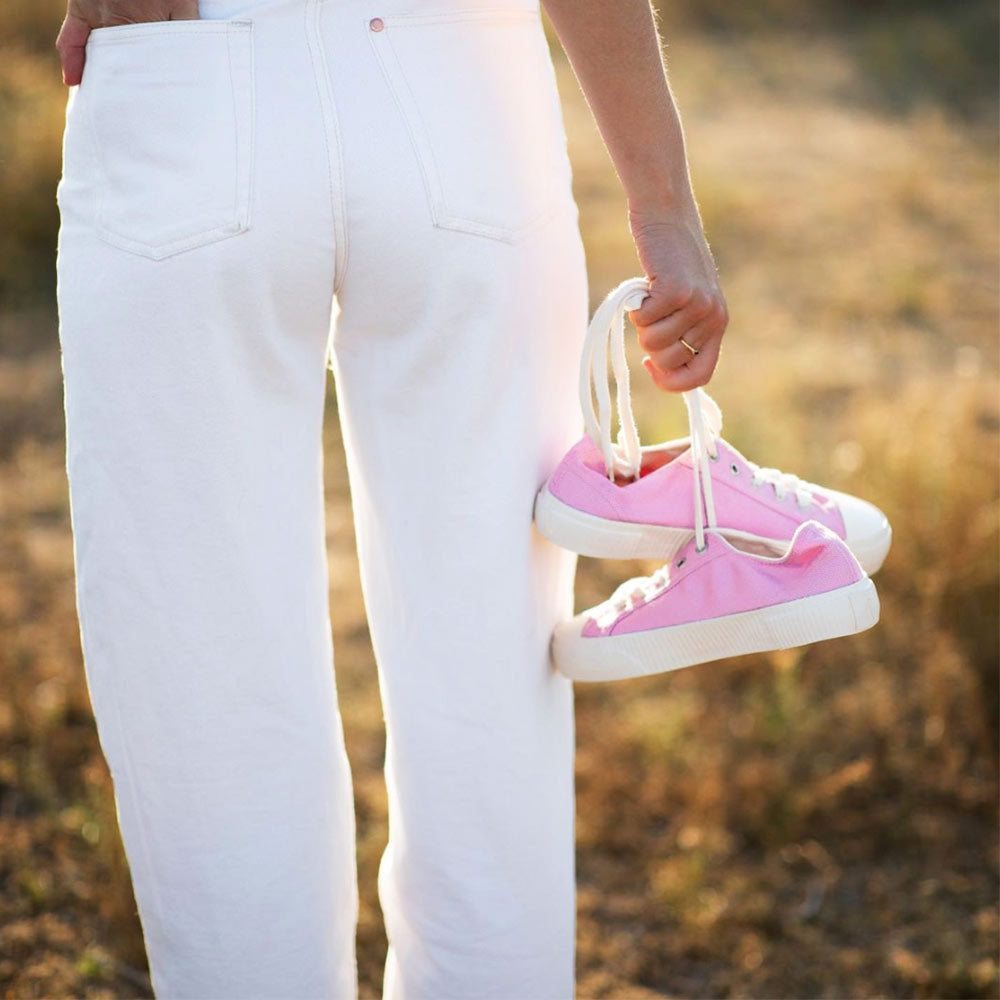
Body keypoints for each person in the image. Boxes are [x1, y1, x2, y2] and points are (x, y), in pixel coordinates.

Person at [53, 0, 728, 995]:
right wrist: (662, 205)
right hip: (464, 93)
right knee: (493, 681)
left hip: (189, 71)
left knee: (208, 682)